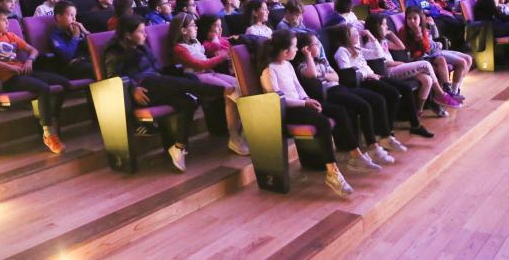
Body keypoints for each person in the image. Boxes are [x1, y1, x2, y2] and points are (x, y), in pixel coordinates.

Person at [103, 15, 224, 172]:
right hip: (142, 90)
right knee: (184, 84)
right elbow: (113, 78)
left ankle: (178, 148)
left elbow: (157, 70)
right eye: (140, 32)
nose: (145, 35)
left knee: (189, 99)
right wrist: (133, 89)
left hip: (156, 84)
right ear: (127, 34)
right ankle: (223, 91)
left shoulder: (141, 47)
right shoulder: (114, 51)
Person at [259, 30, 359, 197]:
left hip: (301, 104)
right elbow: (278, 100)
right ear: (285, 52)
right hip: (287, 112)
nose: (297, 50)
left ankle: (355, 152)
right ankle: (332, 172)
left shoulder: (288, 65)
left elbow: (298, 88)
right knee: (323, 122)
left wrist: (308, 99)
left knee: (338, 111)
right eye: (294, 47)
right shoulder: (269, 71)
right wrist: (305, 103)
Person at [0, 5, 71, 154]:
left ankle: (51, 117)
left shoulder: (11, 36)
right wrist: (8, 67)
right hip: (8, 78)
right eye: (3, 19)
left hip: (23, 70)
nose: (7, 22)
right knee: (43, 88)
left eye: (7, 19)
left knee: (63, 82)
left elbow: (33, 50)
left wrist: (29, 61)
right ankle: (48, 133)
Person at [295, 32, 405, 161]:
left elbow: (336, 76)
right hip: (330, 93)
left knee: (377, 99)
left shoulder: (322, 61)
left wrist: (323, 75)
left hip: (340, 88)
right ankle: (373, 147)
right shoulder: (302, 65)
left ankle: (385, 137)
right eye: (316, 44)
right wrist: (309, 57)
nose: (320, 46)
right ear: (306, 48)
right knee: (363, 106)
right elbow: (313, 74)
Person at [169, 12, 249, 155]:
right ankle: (234, 137)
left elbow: (209, 55)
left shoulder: (195, 42)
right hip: (195, 78)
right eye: (193, 25)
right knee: (230, 90)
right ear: (183, 30)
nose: (197, 28)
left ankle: (242, 130)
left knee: (240, 83)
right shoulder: (179, 48)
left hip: (208, 72)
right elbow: (198, 64)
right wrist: (221, 57)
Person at [49, 0, 95, 80]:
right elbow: (67, 56)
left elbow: (96, 47)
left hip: (86, 60)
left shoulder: (75, 30)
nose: (74, 19)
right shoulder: (55, 36)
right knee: (97, 69)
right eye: (71, 15)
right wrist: (75, 37)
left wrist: (85, 32)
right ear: (59, 17)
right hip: (70, 68)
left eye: (75, 16)